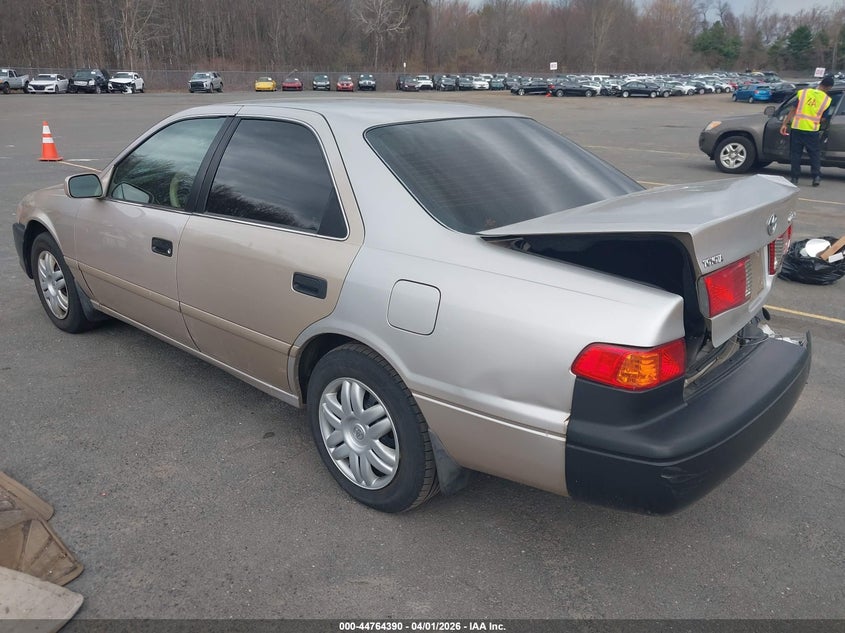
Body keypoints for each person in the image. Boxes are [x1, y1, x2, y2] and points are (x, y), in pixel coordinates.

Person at [780, 75, 835, 187]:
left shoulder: (804, 93)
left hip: (797, 128)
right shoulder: (826, 100)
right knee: (814, 154)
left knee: (795, 154)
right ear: (829, 87)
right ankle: (816, 177)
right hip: (812, 130)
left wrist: (785, 123)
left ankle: (795, 178)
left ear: (820, 83)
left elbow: (793, 110)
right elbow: (823, 118)